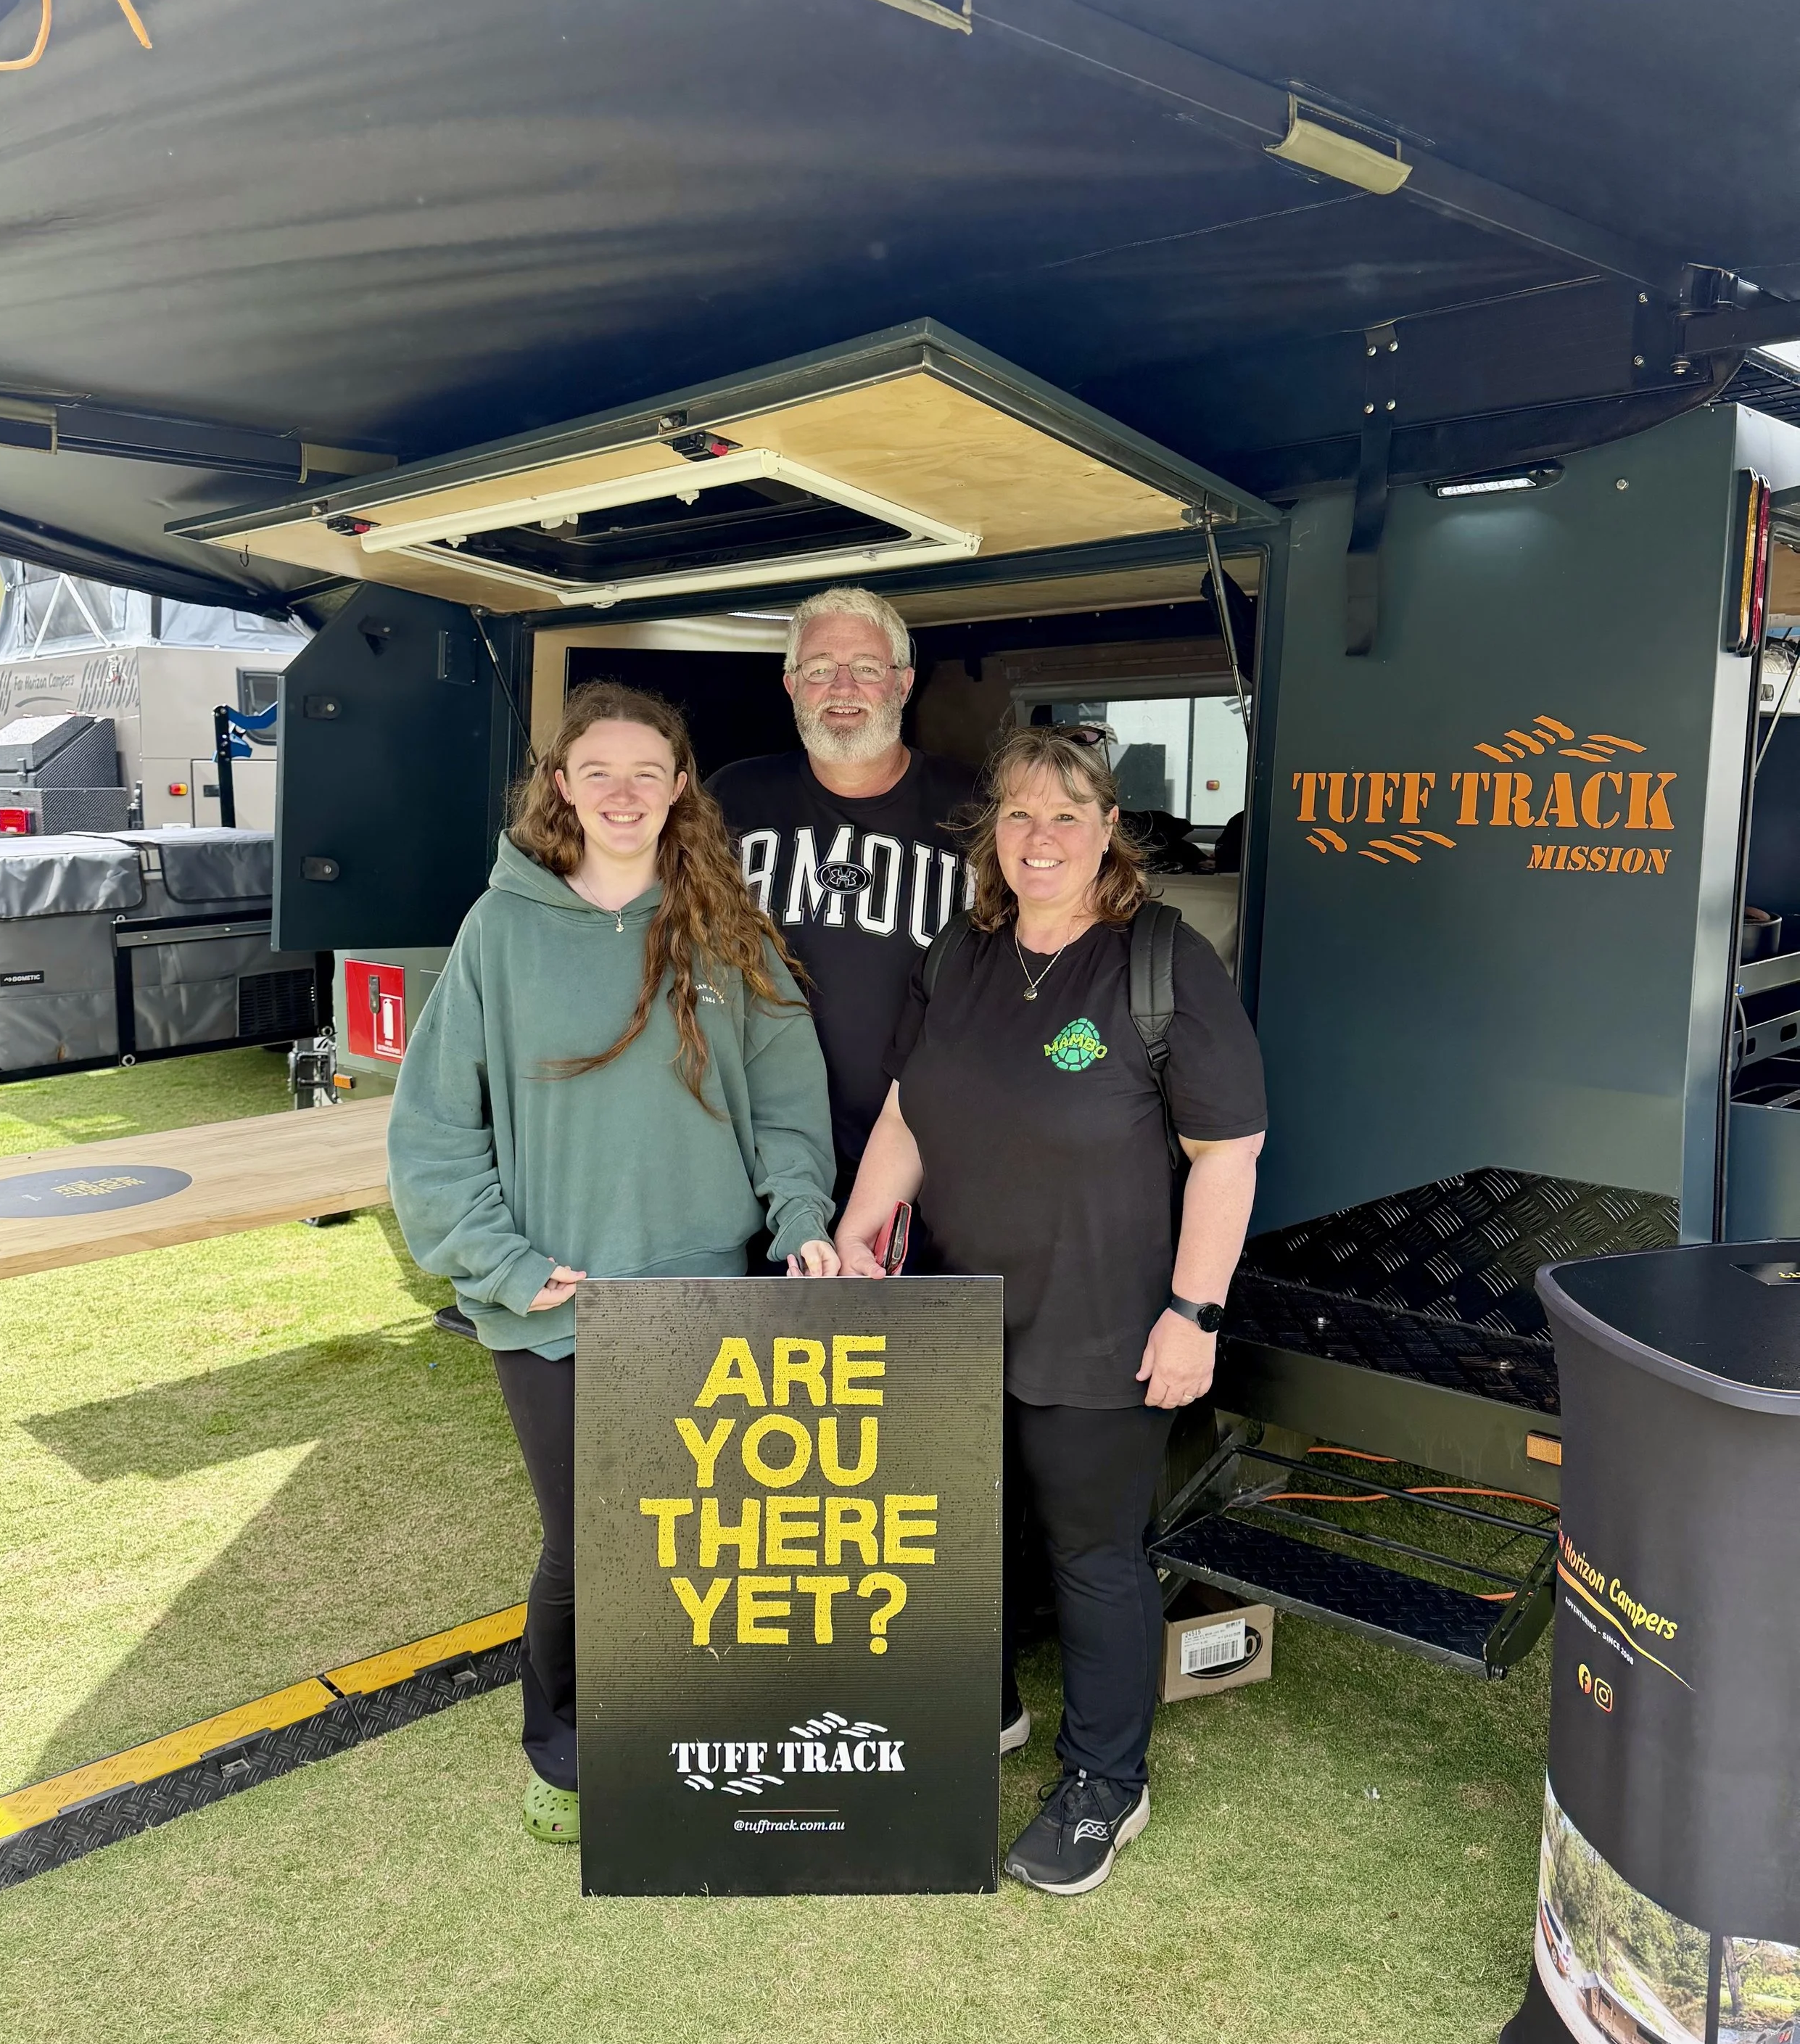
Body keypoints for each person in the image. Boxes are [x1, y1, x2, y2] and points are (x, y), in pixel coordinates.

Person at [388, 682, 838, 1849]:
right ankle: (569, 1749)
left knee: (703, 1532)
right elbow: (436, 1128)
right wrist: (500, 1258)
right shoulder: (501, 930)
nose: (626, 793)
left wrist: (798, 1217)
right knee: (591, 1540)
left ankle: (698, 1729)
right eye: (601, 772)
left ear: (681, 786)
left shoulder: (725, 924)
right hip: (556, 1298)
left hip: (709, 1285)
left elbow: (788, 1097)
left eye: (650, 771)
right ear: (561, 788)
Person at [835, 723, 1266, 1897]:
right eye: (1019, 813)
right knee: (958, 1527)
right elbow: (905, 1116)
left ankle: (1103, 1781)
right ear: (992, 834)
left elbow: (1227, 1154)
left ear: (1109, 829)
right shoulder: (961, 951)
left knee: (1092, 1556)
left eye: (1068, 814)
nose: (1042, 837)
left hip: (1101, 1322)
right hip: (957, 1312)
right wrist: (859, 1236)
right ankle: (989, 1708)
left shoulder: (1163, 961)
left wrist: (1195, 1312)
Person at [710, 588, 977, 1197]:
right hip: (760, 1147)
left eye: (865, 668)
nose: (842, 688)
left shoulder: (976, 807)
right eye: (820, 669)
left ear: (904, 683)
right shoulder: (732, 798)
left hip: (927, 1148)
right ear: (791, 685)